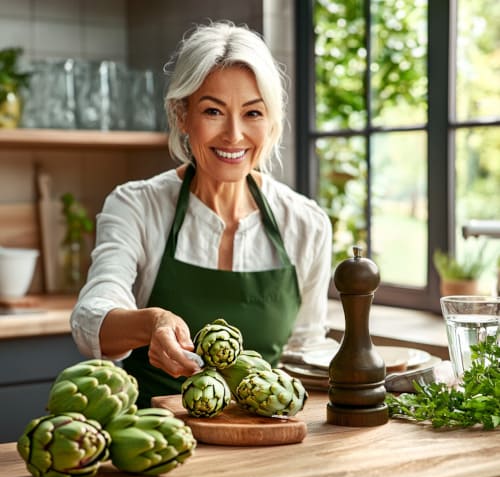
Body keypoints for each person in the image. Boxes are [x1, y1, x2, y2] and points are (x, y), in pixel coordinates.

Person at [71, 20, 332, 408]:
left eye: (253, 114)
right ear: (182, 115)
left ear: (272, 121)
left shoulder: (306, 224)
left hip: (261, 438)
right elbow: (91, 320)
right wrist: (152, 322)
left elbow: (305, 352)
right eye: (213, 111)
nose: (233, 135)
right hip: (157, 438)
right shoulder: (137, 207)